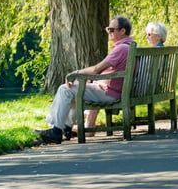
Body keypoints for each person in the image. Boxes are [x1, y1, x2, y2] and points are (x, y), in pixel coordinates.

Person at [37, 16, 134, 144]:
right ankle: (66, 128)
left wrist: (75, 73)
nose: (109, 32)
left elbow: (96, 69)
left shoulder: (121, 49)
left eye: (112, 29)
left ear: (122, 31)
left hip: (109, 93)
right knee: (73, 91)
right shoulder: (130, 46)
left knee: (65, 89)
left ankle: (56, 131)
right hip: (116, 90)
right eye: (108, 29)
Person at [83, 21, 168, 132]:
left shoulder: (154, 53)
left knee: (106, 86)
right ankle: (89, 122)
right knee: (102, 85)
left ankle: (89, 123)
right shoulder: (163, 51)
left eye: (149, 34)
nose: (146, 37)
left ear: (159, 36)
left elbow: (145, 73)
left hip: (143, 89)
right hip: (153, 88)